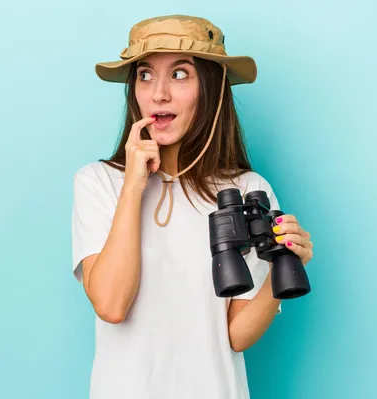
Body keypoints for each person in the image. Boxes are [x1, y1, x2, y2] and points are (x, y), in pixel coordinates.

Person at [71, 15, 314, 399]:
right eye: (146, 75)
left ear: (211, 89)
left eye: (180, 75)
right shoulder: (97, 182)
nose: (159, 94)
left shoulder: (248, 188)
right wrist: (133, 185)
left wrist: (283, 269)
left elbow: (234, 335)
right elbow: (112, 304)